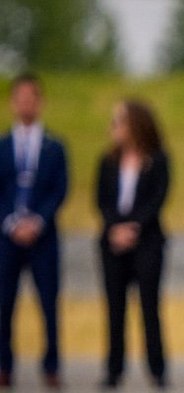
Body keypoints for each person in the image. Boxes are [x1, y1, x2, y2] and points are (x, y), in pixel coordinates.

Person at [95, 99, 170, 388]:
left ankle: (157, 369)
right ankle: (114, 369)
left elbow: (158, 198)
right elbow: (101, 199)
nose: (113, 128)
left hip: (147, 241)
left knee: (149, 307)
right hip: (113, 243)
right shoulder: (108, 161)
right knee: (115, 308)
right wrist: (114, 227)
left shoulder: (157, 160)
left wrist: (134, 226)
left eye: (119, 122)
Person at [0, 73, 68, 389]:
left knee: (49, 303)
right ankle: (4, 364)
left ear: (40, 102)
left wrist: (38, 221)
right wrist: (11, 222)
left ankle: (51, 364)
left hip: (43, 237)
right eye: (21, 98)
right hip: (7, 238)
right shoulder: (3, 146)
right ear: (12, 102)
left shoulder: (54, 146)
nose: (26, 103)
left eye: (32, 98)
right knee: (4, 303)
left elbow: (59, 189)